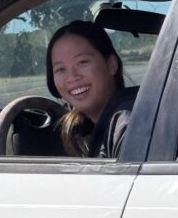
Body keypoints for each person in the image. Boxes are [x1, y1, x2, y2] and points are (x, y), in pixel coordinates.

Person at [45, 20, 137, 159]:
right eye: (60, 69)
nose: (72, 77)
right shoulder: (92, 127)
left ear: (111, 64)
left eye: (82, 62)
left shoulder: (128, 125)